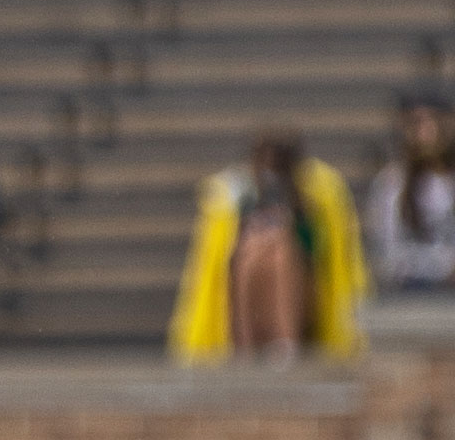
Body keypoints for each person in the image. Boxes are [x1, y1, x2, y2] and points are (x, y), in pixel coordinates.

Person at [173, 130, 365, 365]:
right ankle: (247, 342)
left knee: (280, 253)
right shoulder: (236, 198)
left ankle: (284, 337)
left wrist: (288, 225)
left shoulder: (313, 195)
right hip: (246, 273)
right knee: (252, 254)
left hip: (300, 277)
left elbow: (320, 250)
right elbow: (220, 255)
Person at [367, 94, 455, 295]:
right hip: (412, 294)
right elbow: (388, 254)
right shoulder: (392, 184)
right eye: (416, 123)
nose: (425, 132)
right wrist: (442, 267)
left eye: (432, 121)